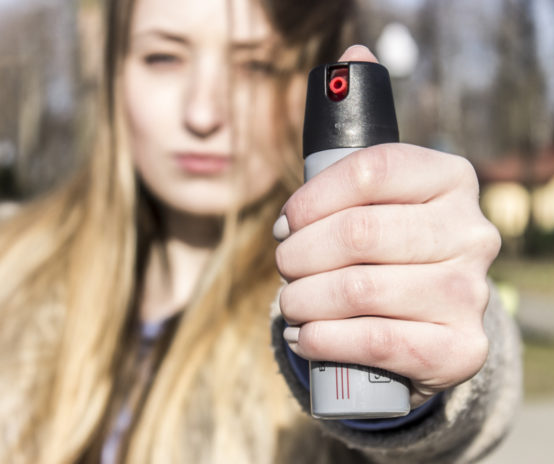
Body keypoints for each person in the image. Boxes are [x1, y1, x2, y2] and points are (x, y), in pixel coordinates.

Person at [0, 0, 522, 462]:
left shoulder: (331, 281)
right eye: (164, 56)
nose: (203, 113)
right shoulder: (9, 262)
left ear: (313, 84)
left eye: (256, 65)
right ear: (113, 65)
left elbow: (475, 390)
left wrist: (414, 361)